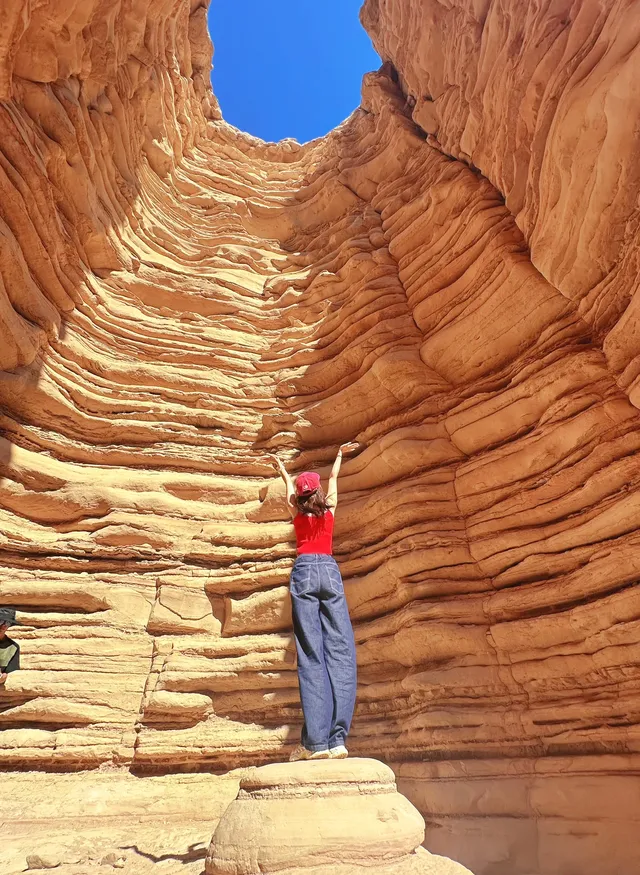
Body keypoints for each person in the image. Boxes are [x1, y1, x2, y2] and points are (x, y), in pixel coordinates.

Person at [269, 443, 359, 761]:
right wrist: (339, 455)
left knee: (311, 654)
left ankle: (315, 744)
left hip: (305, 569)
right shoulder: (329, 509)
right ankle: (337, 740)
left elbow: (287, 493)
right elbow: (334, 478)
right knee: (341, 651)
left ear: (300, 495)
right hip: (330, 571)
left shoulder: (297, 514)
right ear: (318, 492)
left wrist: (281, 468)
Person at [0, 607, 21, 686]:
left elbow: (11, 673)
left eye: (7, 623)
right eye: (0, 621)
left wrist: (3, 678)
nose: (3, 626)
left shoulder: (13, 647)